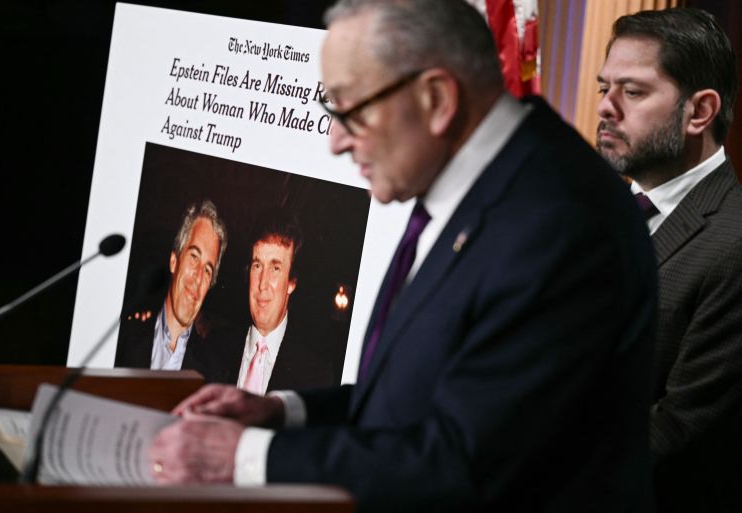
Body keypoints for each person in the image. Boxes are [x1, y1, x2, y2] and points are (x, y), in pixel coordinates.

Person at [149, 1, 658, 511]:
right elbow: (412, 400)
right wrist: (282, 411)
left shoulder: (559, 223)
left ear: (437, 98)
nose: (335, 140)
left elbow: (461, 467)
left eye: (351, 109)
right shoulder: (478, 184)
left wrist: (245, 458)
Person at [596, 8, 742, 512]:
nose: (606, 108)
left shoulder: (734, 243)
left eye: (632, 92)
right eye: (603, 89)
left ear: (699, 111)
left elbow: (681, 425)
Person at [115, 199, 231, 383]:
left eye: (208, 270)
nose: (198, 278)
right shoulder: (122, 337)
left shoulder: (214, 375)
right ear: (174, 261)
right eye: (194, 257)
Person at [229, 208, 335, 394]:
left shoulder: (316, 378)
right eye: (257, 266)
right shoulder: (211, 351)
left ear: (292, 282)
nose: (262, 283)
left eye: (275, 268)